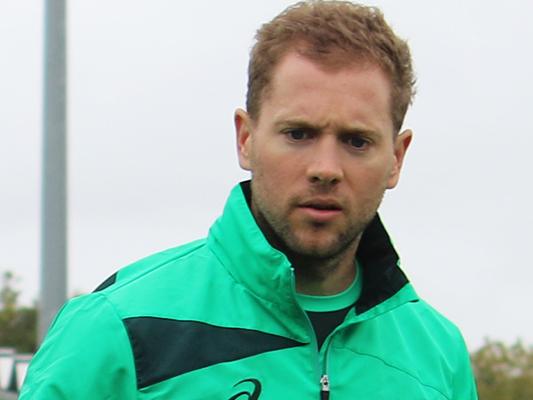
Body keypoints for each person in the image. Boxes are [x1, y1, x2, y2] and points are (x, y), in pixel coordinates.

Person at [21, 1, 478, 398]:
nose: (326, 168)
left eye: (357, 141)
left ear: (396, 158)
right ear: (246, 139)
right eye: (298, 133)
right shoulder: (117, 328)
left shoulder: (439, 357)